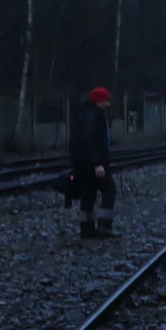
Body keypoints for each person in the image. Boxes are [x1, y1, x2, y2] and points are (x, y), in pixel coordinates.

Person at [69, 86, 118, 239]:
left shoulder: (83, 113)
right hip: (94, 163)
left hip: (83, 163)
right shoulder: (93, 116)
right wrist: (98, 164)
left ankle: (86, 228)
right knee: (109, 190)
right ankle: (104, 225)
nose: (108, 104)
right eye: (105, 101)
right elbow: (89, 139)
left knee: (88, 193)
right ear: (98, 101)